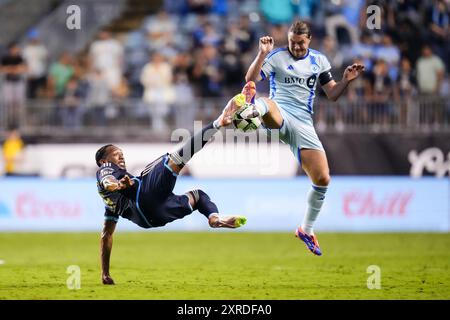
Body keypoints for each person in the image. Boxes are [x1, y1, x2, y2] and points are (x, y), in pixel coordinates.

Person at [96, 92, 248, 285]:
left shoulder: (110, 204)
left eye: (122, 154)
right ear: (103, 161)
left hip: (153, 218)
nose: (122, 158)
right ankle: (218, 123)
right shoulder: (106, 169)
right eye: (117, 154)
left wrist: (105, 273)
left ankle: (214, 218)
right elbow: (107, 180)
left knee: (198, 196)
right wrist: (118, 185)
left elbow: (106, 235)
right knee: (172, 158)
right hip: (145, 196)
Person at [244, 21, 365, 256]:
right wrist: (261, 53)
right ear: (288, 40)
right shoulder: (276, 57)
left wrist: (346, 81)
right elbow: (251, 77)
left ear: (309, 40)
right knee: (268, 104)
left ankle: (306, 230)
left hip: (303, 123)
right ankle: (252, 107)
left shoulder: (319, 61)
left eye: (301, 43)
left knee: (322, 178)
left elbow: (331, 94)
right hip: (278, 111)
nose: (296, 47)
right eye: (292, 42)